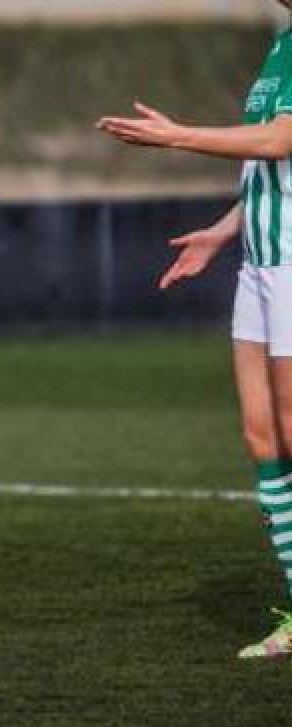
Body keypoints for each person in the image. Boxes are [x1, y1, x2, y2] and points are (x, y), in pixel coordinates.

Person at [98, 0, 292, 659]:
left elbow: (279, 141)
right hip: (260, 261)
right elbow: (268, 167)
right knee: (260, 432)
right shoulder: (282, 46)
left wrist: (177, 136)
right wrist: (221, 230)